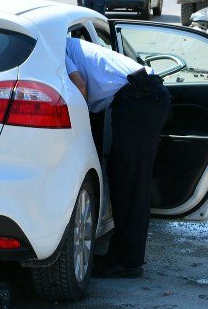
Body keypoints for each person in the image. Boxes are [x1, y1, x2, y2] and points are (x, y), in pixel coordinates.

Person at [65, 37, 171, 277]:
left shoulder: (56, 47)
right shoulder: (71, 43)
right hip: (145, 96)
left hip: (140, 99)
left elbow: (79, 87)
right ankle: (123, 256)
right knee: (126, 177)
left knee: (130, 181)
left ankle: (127, 262)